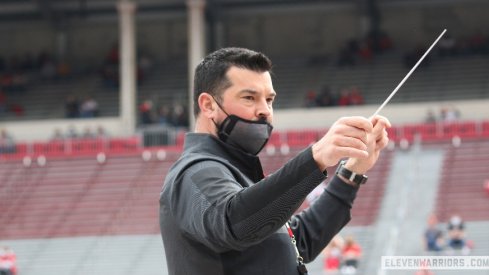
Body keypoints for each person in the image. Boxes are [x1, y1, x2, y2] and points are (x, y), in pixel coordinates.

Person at [159, 47, 391, 275]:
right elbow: (236, 223)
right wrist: (316, 157)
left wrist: (351, 172)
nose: (265, 111)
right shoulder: (194, 172)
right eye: (250, 98)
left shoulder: (238, 175)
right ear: (208, 105)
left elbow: (300, 242)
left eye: (269, 100)